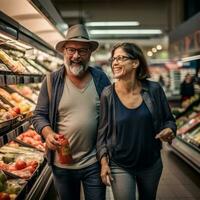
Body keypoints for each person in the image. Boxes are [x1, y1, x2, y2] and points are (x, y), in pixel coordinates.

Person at [32, 24, 110, 200]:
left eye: (82, 51)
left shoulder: (101, 79)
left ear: (90, 53)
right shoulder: (52, 81)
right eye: (71, 50)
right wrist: (48, 132)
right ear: (64, 51)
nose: (76, 56)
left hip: (94, 162)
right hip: (62, 165)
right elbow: (38, 115)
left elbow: (111, 116)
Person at [96, 42, 177, 200]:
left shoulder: (154, 90)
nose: (115, 62)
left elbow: (169, 120)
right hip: (120, 163)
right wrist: (104, 162)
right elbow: (102, 132)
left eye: (121, 58)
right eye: (113, 59)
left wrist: (170, 130)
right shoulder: (108, 94)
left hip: (151, 163)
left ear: (135, 62)